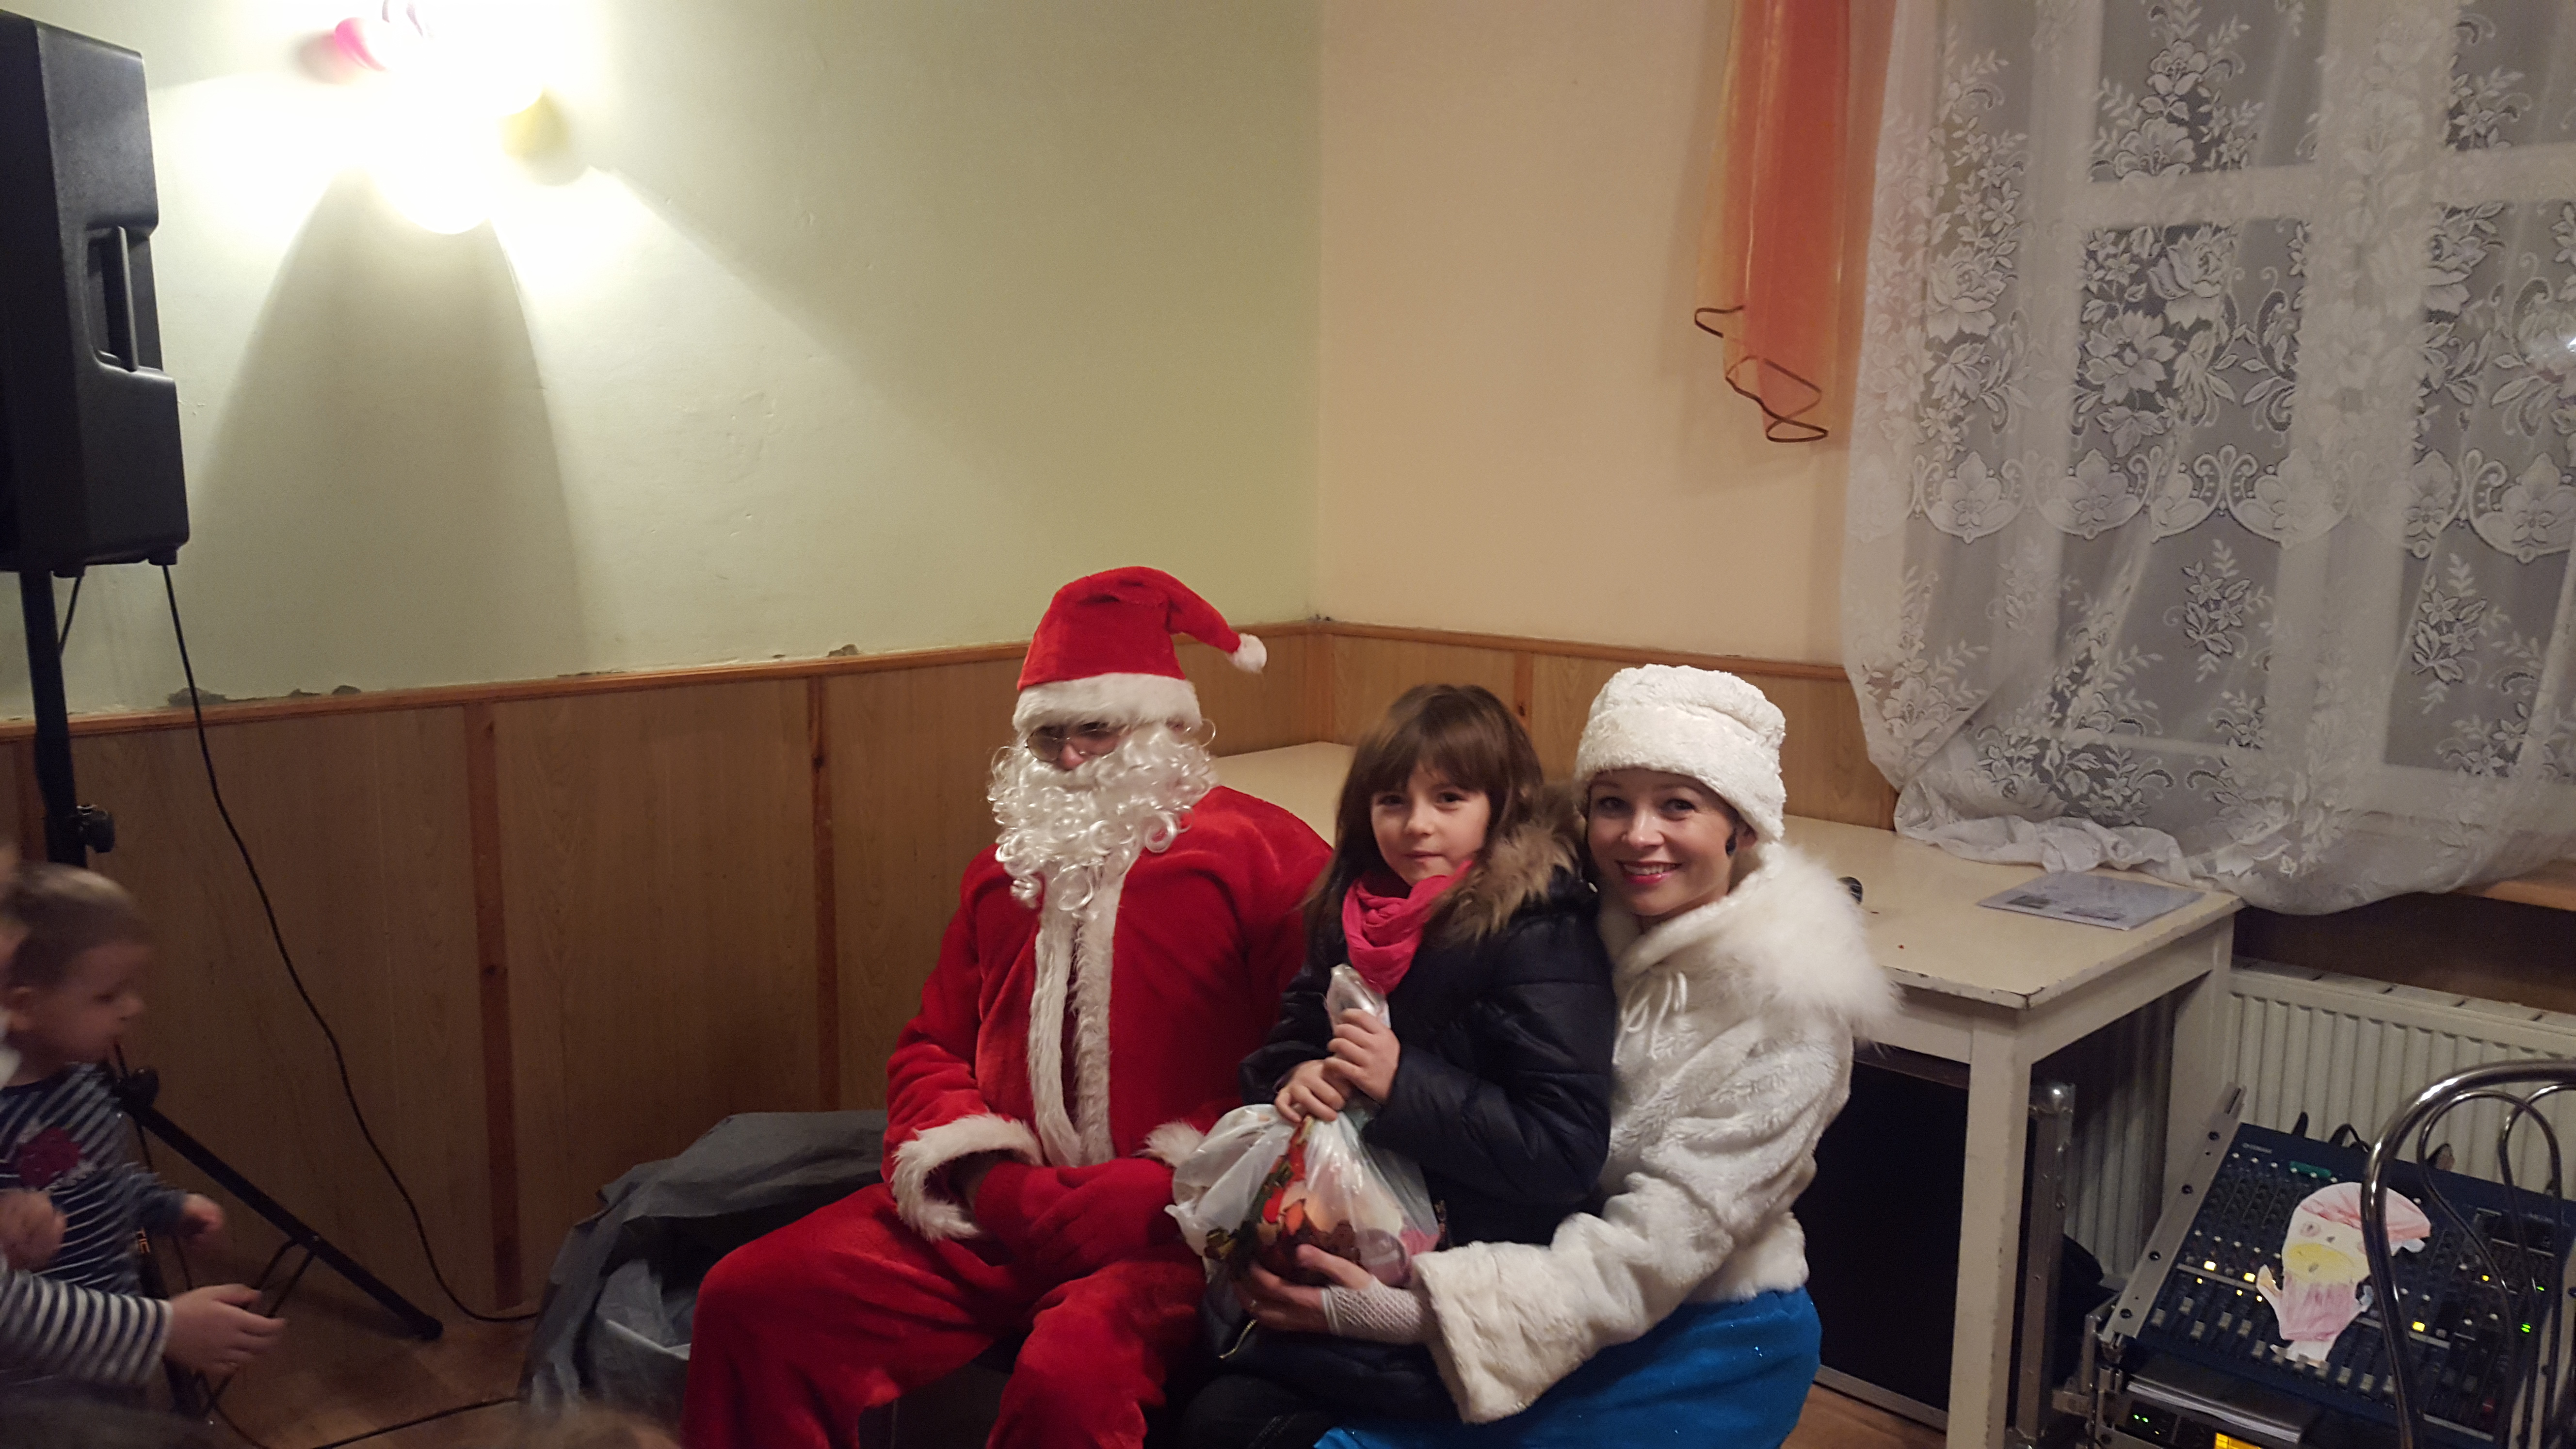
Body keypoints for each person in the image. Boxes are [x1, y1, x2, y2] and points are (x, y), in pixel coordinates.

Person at [682, 567, 1333, 1449]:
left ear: (1161, 726)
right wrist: (988, 1178)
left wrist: (1163, 1186)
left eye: (1095, 729)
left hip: (1176, 1232)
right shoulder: (1005, 872)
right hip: (997, 1218)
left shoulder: (1268, 860)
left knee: (1072, 1380)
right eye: (1048, 736)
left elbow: (1309, 1072)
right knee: (751, 1296)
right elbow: (931, 1047)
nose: (1069, 759)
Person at [1237, 665, 1893, 1448]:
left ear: (1741, 827)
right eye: (1613, 803)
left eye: (1676, 805)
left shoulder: (1792, 1007)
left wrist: (1418, 1311)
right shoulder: (1565, 915)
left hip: (1699, 1329)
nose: (1638, 834)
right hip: (1529, 1290)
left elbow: (1654, 1246)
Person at [1180, 685, 1616, 1449]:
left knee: (1225, 1421)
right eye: (1393, 800)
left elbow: (1564, 1153)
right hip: (1346, 1230)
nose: (1417, 824)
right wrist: (1296, 1077)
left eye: (1449, 798)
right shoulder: (1354, 911)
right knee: (1184, 1367)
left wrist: (1401, 1083)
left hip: (1459, 1286)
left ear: (1503, 804)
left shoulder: (1541, 935)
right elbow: (1290, 1038)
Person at [0, 864, 284, 1392]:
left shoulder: (82, 1080)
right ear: (25, 1006)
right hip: (36, 1383)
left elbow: (95, 1179)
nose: (134, 1008)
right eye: (108, 996)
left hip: (112, 1347)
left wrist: (165, 1206)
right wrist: (164, 1329)